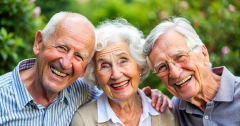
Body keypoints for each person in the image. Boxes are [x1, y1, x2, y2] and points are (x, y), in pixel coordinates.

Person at [0, 12, 170, 126]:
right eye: (61, 47)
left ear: (84, 69)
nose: (66, 64)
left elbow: (116, 92)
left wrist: (147, 95)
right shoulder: (2, 98)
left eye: (79, 56)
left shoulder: (82, 92)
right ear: (38, 43)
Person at [71, 18, 178, 126]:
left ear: (139, 65)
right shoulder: (83, 121)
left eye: (123, 61)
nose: (116, 75)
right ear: (95, 75)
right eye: (104, 66)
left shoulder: (166, 112)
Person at [143, 17, 240, 126]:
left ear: (204, 53)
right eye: (162, 67)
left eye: (180, 57)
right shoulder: (173, 111)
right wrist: (145, 99)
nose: (174, 73)